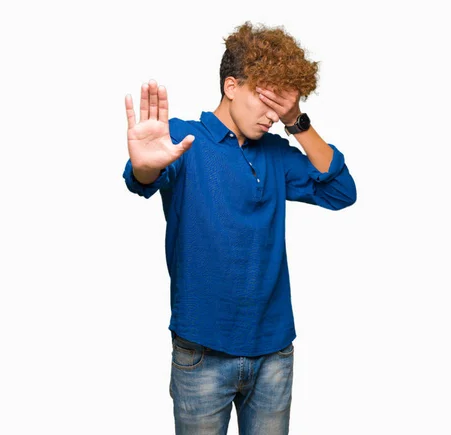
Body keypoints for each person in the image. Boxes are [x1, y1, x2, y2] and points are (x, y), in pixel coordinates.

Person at [122, 21, 356, 435]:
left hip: (274, 354)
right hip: (202, 354)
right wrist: (144, 165)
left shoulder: (277, 153)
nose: (273, 116)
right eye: (265, 100)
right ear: (231, 86)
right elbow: (142, 177)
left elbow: (341, 190)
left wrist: (298, 121)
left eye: (281, 105)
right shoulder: (182, 139)